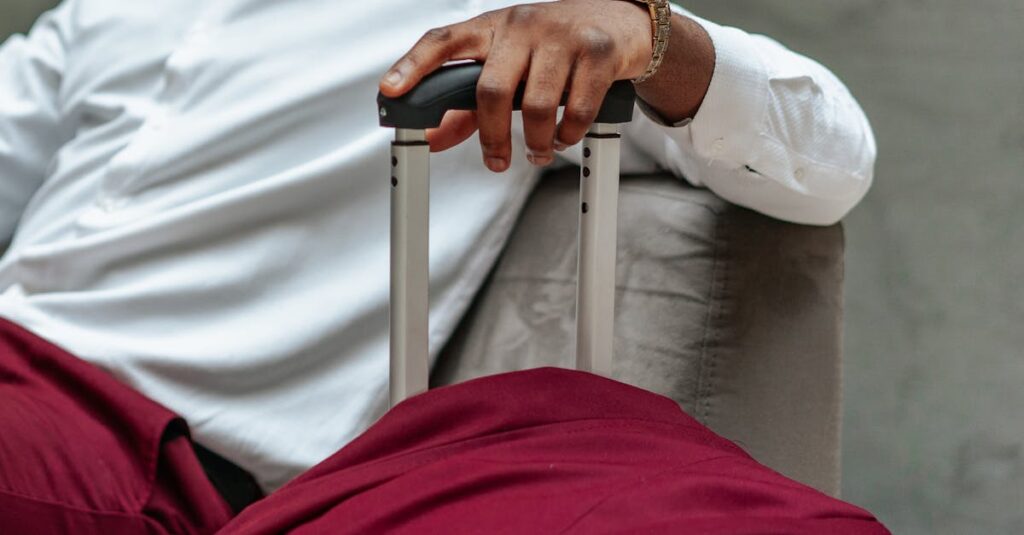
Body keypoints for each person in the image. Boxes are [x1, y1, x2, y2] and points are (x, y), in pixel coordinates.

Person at [0, 0, 880, 533]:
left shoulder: (521, 28)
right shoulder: (105, 17)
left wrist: (647, 36)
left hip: (145, 444)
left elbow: (831, 162)